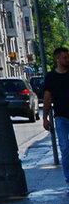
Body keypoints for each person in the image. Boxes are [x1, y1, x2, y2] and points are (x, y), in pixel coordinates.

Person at [42, 46, 69, 189]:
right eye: (64, 57)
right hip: (61, 117)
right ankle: (68, 179)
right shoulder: (51, 77)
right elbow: (47, 98)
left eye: (68, 57)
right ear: (57, 58)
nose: (67, 60)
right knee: (65, 148)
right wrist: (45, 118)